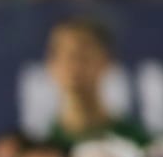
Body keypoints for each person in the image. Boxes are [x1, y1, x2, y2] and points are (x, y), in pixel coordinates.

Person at [42, 16, 148, 150]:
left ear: (107, 61)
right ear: (50, 64)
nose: (74, 66)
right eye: (64, 55)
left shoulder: (136, 142)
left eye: (83, 56)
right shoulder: (43, 147)